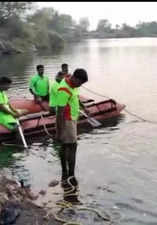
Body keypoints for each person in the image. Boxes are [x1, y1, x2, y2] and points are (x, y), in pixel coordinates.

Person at [56, 68, 89, 204]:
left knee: (66, 146)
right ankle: (71, 174)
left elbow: (75, 96)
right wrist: (59, 131)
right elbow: (59, 112)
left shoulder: (73, 84)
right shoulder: (64, 89)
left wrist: (83, 106)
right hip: (67, 121)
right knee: (72, 146)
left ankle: (65, 172)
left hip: (73, 119)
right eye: (79, 83)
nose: (79, 86)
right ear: (74, 78)